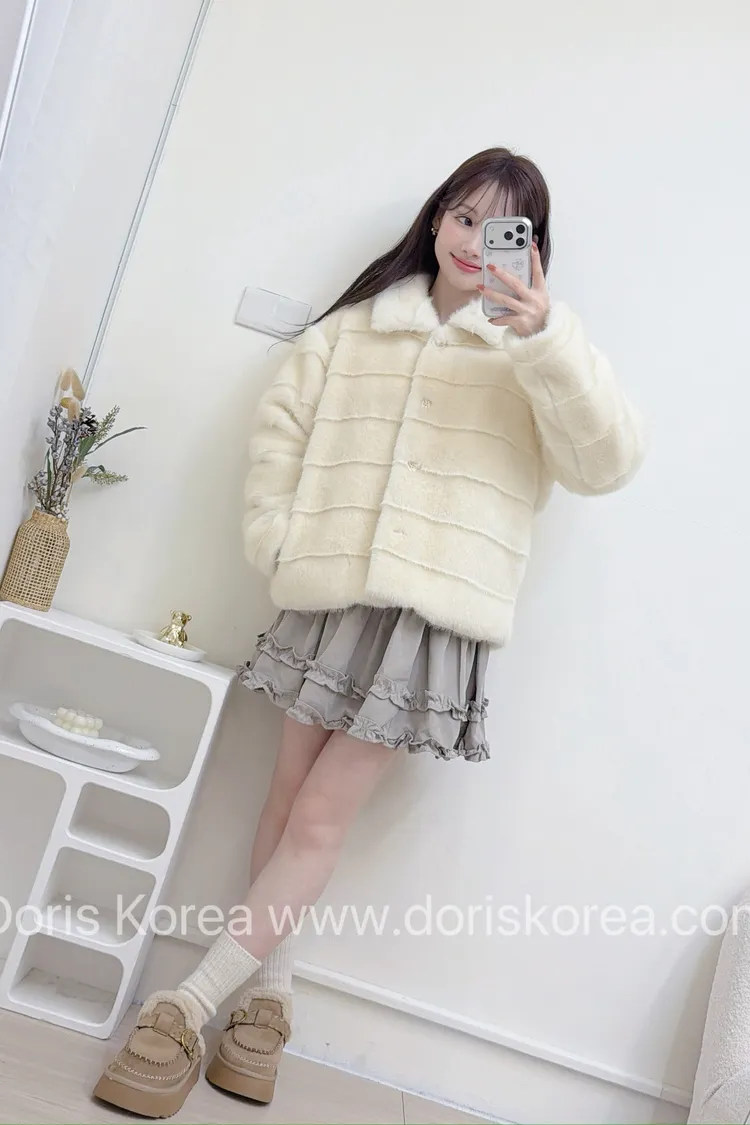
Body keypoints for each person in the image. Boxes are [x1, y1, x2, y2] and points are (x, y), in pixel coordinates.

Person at [93, 147, 646, 1117]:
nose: (475, 241)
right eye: (464, 217)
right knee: (282, 804)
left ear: (531, 250)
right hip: (330, 596)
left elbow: (607, 463)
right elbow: (280, 434)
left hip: (431, 620)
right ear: (436, 220)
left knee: (317, 821)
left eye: (501, 228)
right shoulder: (353, 332)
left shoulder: (536, 356)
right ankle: (264, 1017)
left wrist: (546, 335)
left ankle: (187, 1005)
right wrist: (278, 541)